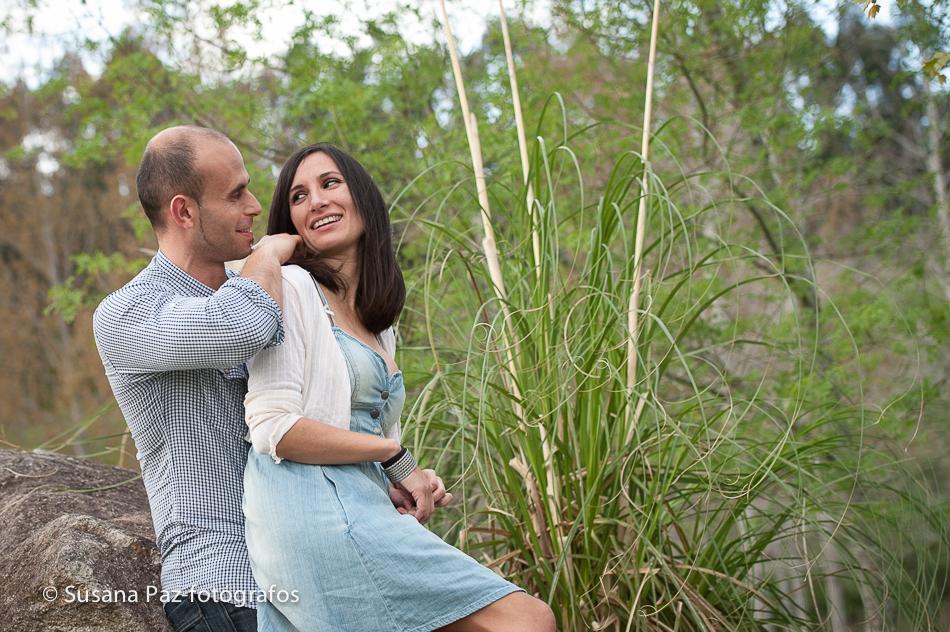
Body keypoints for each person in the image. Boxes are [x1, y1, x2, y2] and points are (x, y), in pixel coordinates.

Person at [242, 143, 557, 631]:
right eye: (299, 197)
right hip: (311, 511)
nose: (316, 201)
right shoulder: (294, 288)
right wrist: (394, 457)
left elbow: (364, 435)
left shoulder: (378, 322)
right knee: (526, 619)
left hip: (361, 504)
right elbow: (273, 428)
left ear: (363, 197)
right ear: (291, 223)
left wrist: (404, 481)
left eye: (330, 184)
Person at [92, 125, 303, 632]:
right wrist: (269, 254)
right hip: (224, 590)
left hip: (307, 573)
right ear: (183, 211)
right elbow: (242, 326)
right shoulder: (126, 313)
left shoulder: (259, 287)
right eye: (235, 194)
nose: (255, 206)